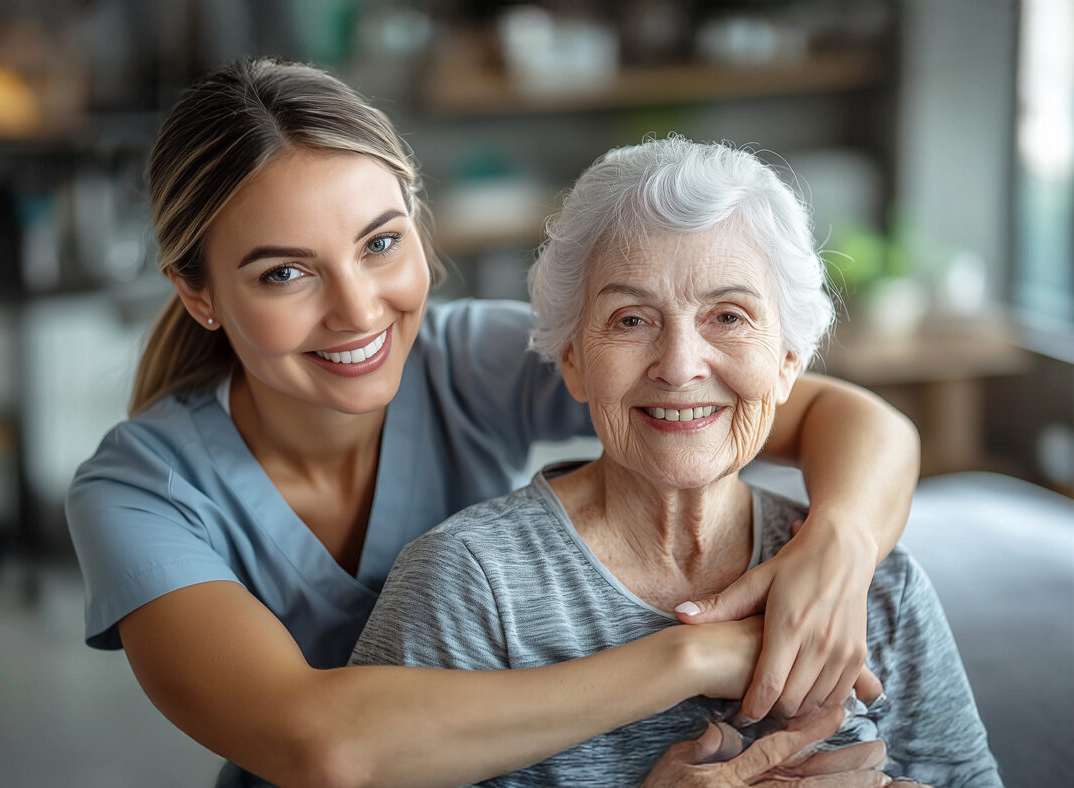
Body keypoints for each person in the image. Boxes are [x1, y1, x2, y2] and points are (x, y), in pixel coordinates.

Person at [66, 59, 922, 788]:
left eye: (379, 244)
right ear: (198, 294)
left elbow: (849, 417)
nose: (359, 312)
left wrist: (839, 544)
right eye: (286, 273)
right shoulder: (141, 494)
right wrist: (693, 656)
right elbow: (320, 744)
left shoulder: (462, 355)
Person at [350, 136, 1000, 787]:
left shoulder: (872, 586)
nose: (681, 365)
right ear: (572, 360)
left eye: (728, 315)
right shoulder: (467, 585)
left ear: (788, 362)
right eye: (631, 320)